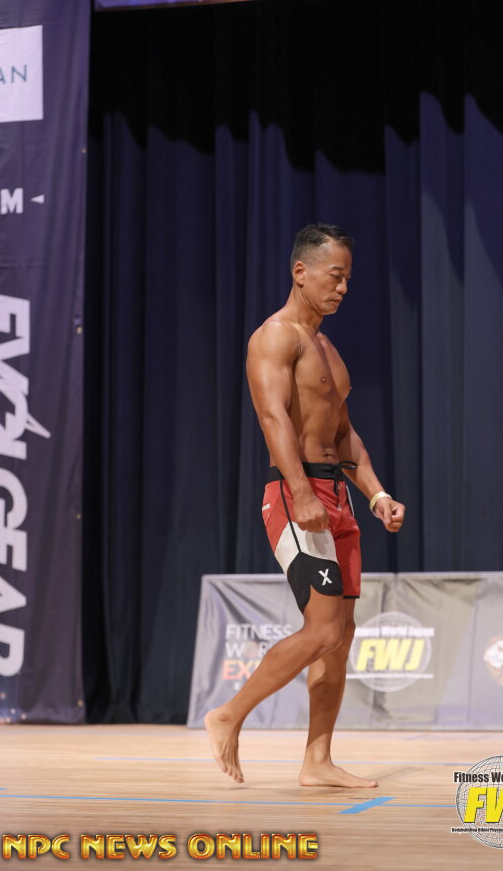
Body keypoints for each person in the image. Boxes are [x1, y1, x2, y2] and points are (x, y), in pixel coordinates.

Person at [205, 223, 405, 787]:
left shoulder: (328, 350)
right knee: (321, 630)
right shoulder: (275, 337)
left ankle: (317, 761)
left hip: (337, 495)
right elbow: (273, 418)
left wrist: (377, 494)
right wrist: (298, 492)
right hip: (297, 493)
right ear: (301, 272)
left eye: (348, 279)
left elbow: (344, 437)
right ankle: (228, 715)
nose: (343, 288)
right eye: (334, 276)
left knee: (341, 634)